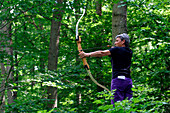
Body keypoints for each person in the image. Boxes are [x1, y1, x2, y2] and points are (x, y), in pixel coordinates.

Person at [78, 33, 133, 106]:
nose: (115, 43)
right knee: (129, 105)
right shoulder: (129, 51)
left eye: (117, 41)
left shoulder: (117, 50)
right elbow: (117, 54)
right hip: (128, 81)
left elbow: (102, 53)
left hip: (118, 81)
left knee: (117, 106)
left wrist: (86, 54)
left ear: (123, 41)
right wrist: (113, 50)